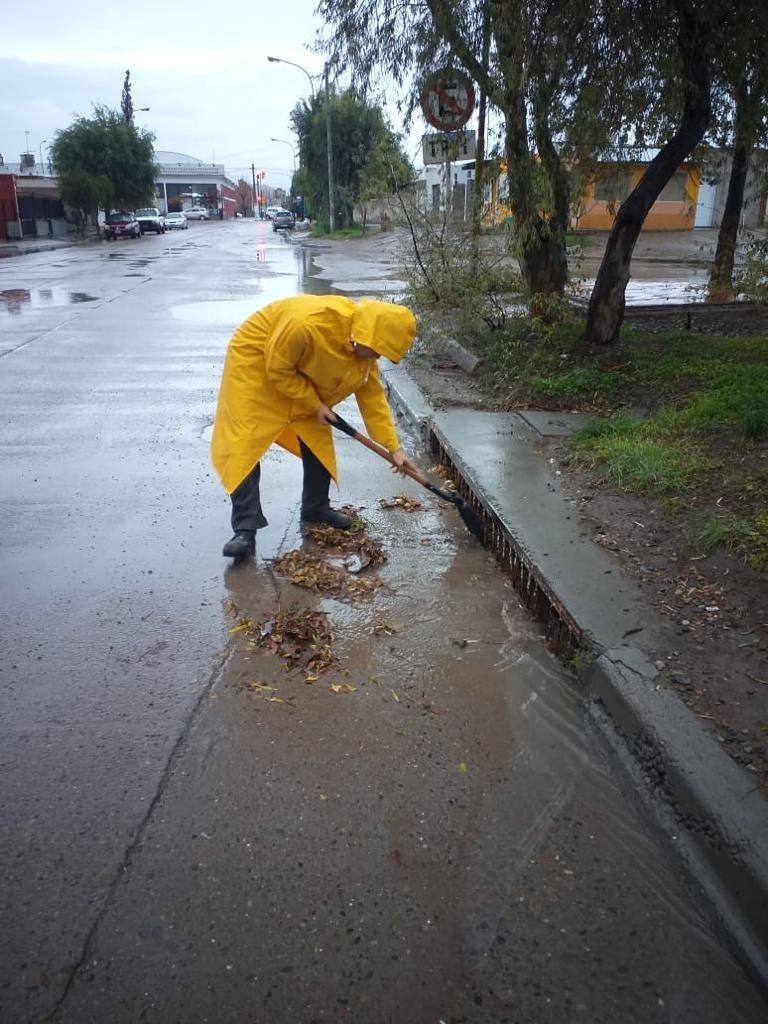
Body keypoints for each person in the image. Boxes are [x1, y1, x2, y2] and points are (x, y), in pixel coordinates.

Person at [211, 295, 418, 558]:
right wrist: (314, 403)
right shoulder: (307, 323)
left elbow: (373, 399)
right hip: (257, 362)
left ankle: (316, 509)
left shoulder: (363, 353)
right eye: (378, 350)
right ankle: (244, 530)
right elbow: (278, 369)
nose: (377, 357)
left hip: (298, 372)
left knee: (316, 438)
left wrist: (394, 448)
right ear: (367, 336)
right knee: (243, 442)